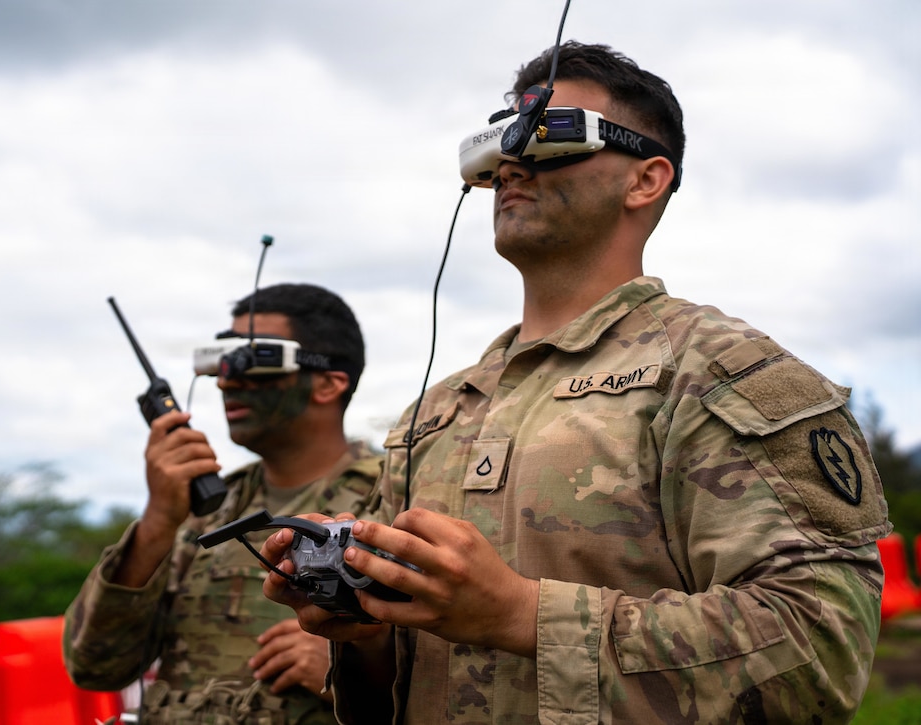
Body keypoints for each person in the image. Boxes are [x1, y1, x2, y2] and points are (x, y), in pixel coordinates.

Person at [261, 42, 891, 723]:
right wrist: (366, 624)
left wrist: (522, 613)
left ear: (644, 180)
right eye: (502, 139)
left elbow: (819, 647)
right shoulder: (437, 412)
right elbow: (400, 681)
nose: (511, 161)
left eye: (552, 135)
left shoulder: (723, 374)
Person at [63, 283, 382, 725]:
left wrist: (350, 664)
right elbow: (97, 667)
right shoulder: (205, 510)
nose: (227, 379)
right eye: (223, 361)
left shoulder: (393, 499)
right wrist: (157, 522)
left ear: (328, 383)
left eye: (254, 362)